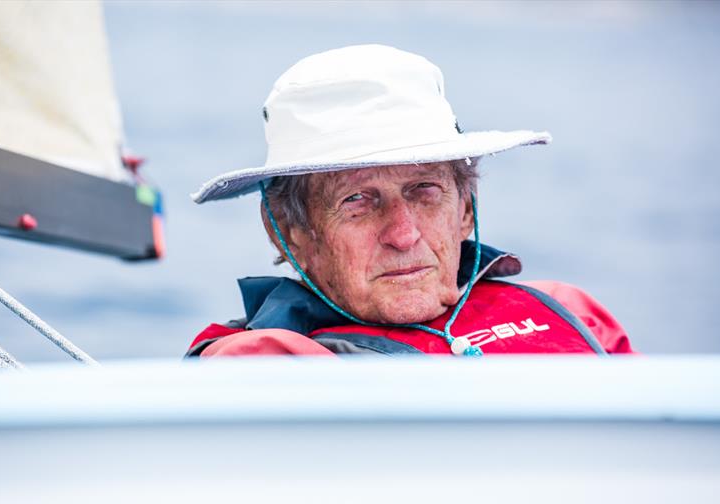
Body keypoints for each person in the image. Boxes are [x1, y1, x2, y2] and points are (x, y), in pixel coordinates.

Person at [187, 44, 634, 358]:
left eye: (425, 191)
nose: (404, 234)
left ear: (465, 209)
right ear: (290, 233)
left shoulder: (570, 309)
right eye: (358, 201)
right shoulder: (273, 359)